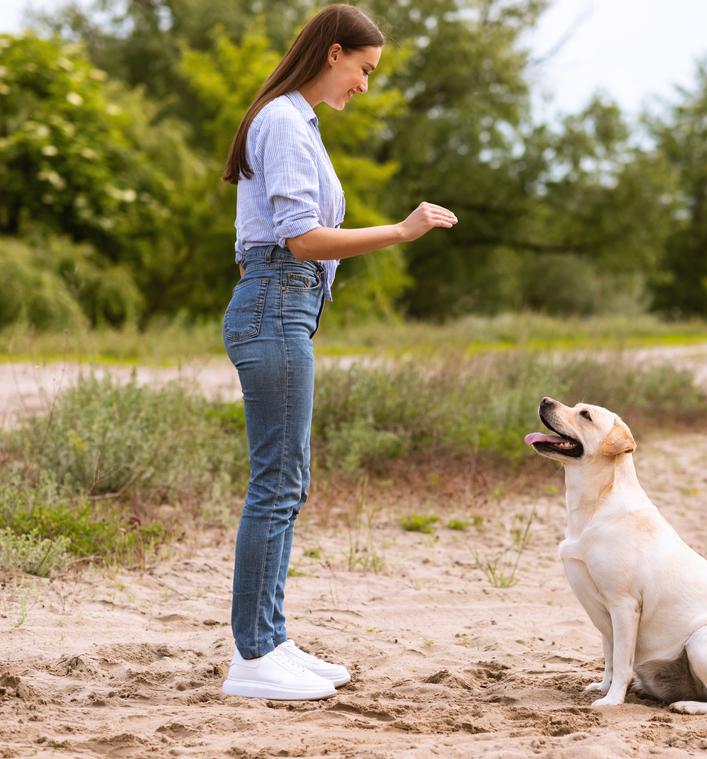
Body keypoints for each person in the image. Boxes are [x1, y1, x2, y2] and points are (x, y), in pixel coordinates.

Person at [218, 4, 457, 700]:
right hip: (274, 302)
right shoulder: (285, 123)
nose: (365, 83)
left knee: (285, 483)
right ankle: (254, 658)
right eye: (363, 68)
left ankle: (271, 640)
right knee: (278, 484)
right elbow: (301, 238)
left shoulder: (297, 123)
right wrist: (402, 231)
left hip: (283, 305)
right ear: (332, 53)